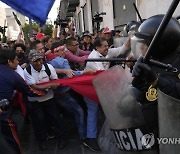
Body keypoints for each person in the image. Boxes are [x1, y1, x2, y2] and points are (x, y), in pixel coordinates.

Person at [131, 15, 180, 151]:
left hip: (174, 136)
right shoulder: (153, 60)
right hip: (151, 134)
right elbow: (141, 95)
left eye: (145, 43)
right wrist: (137, 80)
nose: (141, 48)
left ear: (159, 44)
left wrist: (157, 81)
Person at [0, 49, 46, 154]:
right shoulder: (12, 75)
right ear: (9, 61)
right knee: (12, 140)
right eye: (16, 60)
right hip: (2, 116)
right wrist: (45, 91)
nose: (18, 62)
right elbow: (29, 90)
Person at [23, 50, 67, 150]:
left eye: (40, 60)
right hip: (35, 100)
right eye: (35, 61)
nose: (38, 63)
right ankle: (42, 140)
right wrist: (50, 85)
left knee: (56, 118)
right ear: (30, 62)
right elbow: (34, 86)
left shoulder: (49, 68)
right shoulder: (27, 71)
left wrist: (51, 85)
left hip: (49, 98)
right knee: (39, 121)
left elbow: (56, 82)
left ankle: (62, 138)